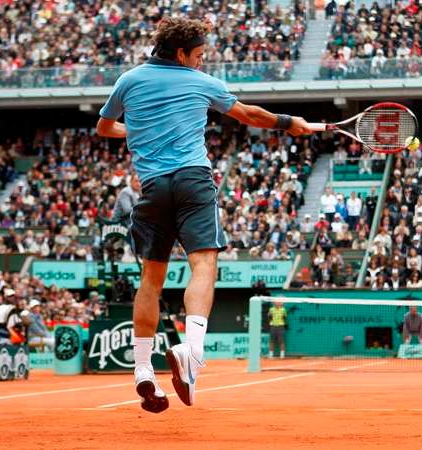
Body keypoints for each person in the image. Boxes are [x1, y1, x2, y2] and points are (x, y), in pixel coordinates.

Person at [96, 17, 312, 413]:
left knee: (151, 278)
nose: (200, 62)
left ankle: (143, 370)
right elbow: (249, 115)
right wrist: (289, 123)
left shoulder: (128, 80)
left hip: (153, 189)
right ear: (181, 53)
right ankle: (191, 351)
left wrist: (140, 129)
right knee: (204, 264)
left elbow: (104, 127)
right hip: (193, 181)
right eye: (197, 55)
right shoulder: (201, 82)